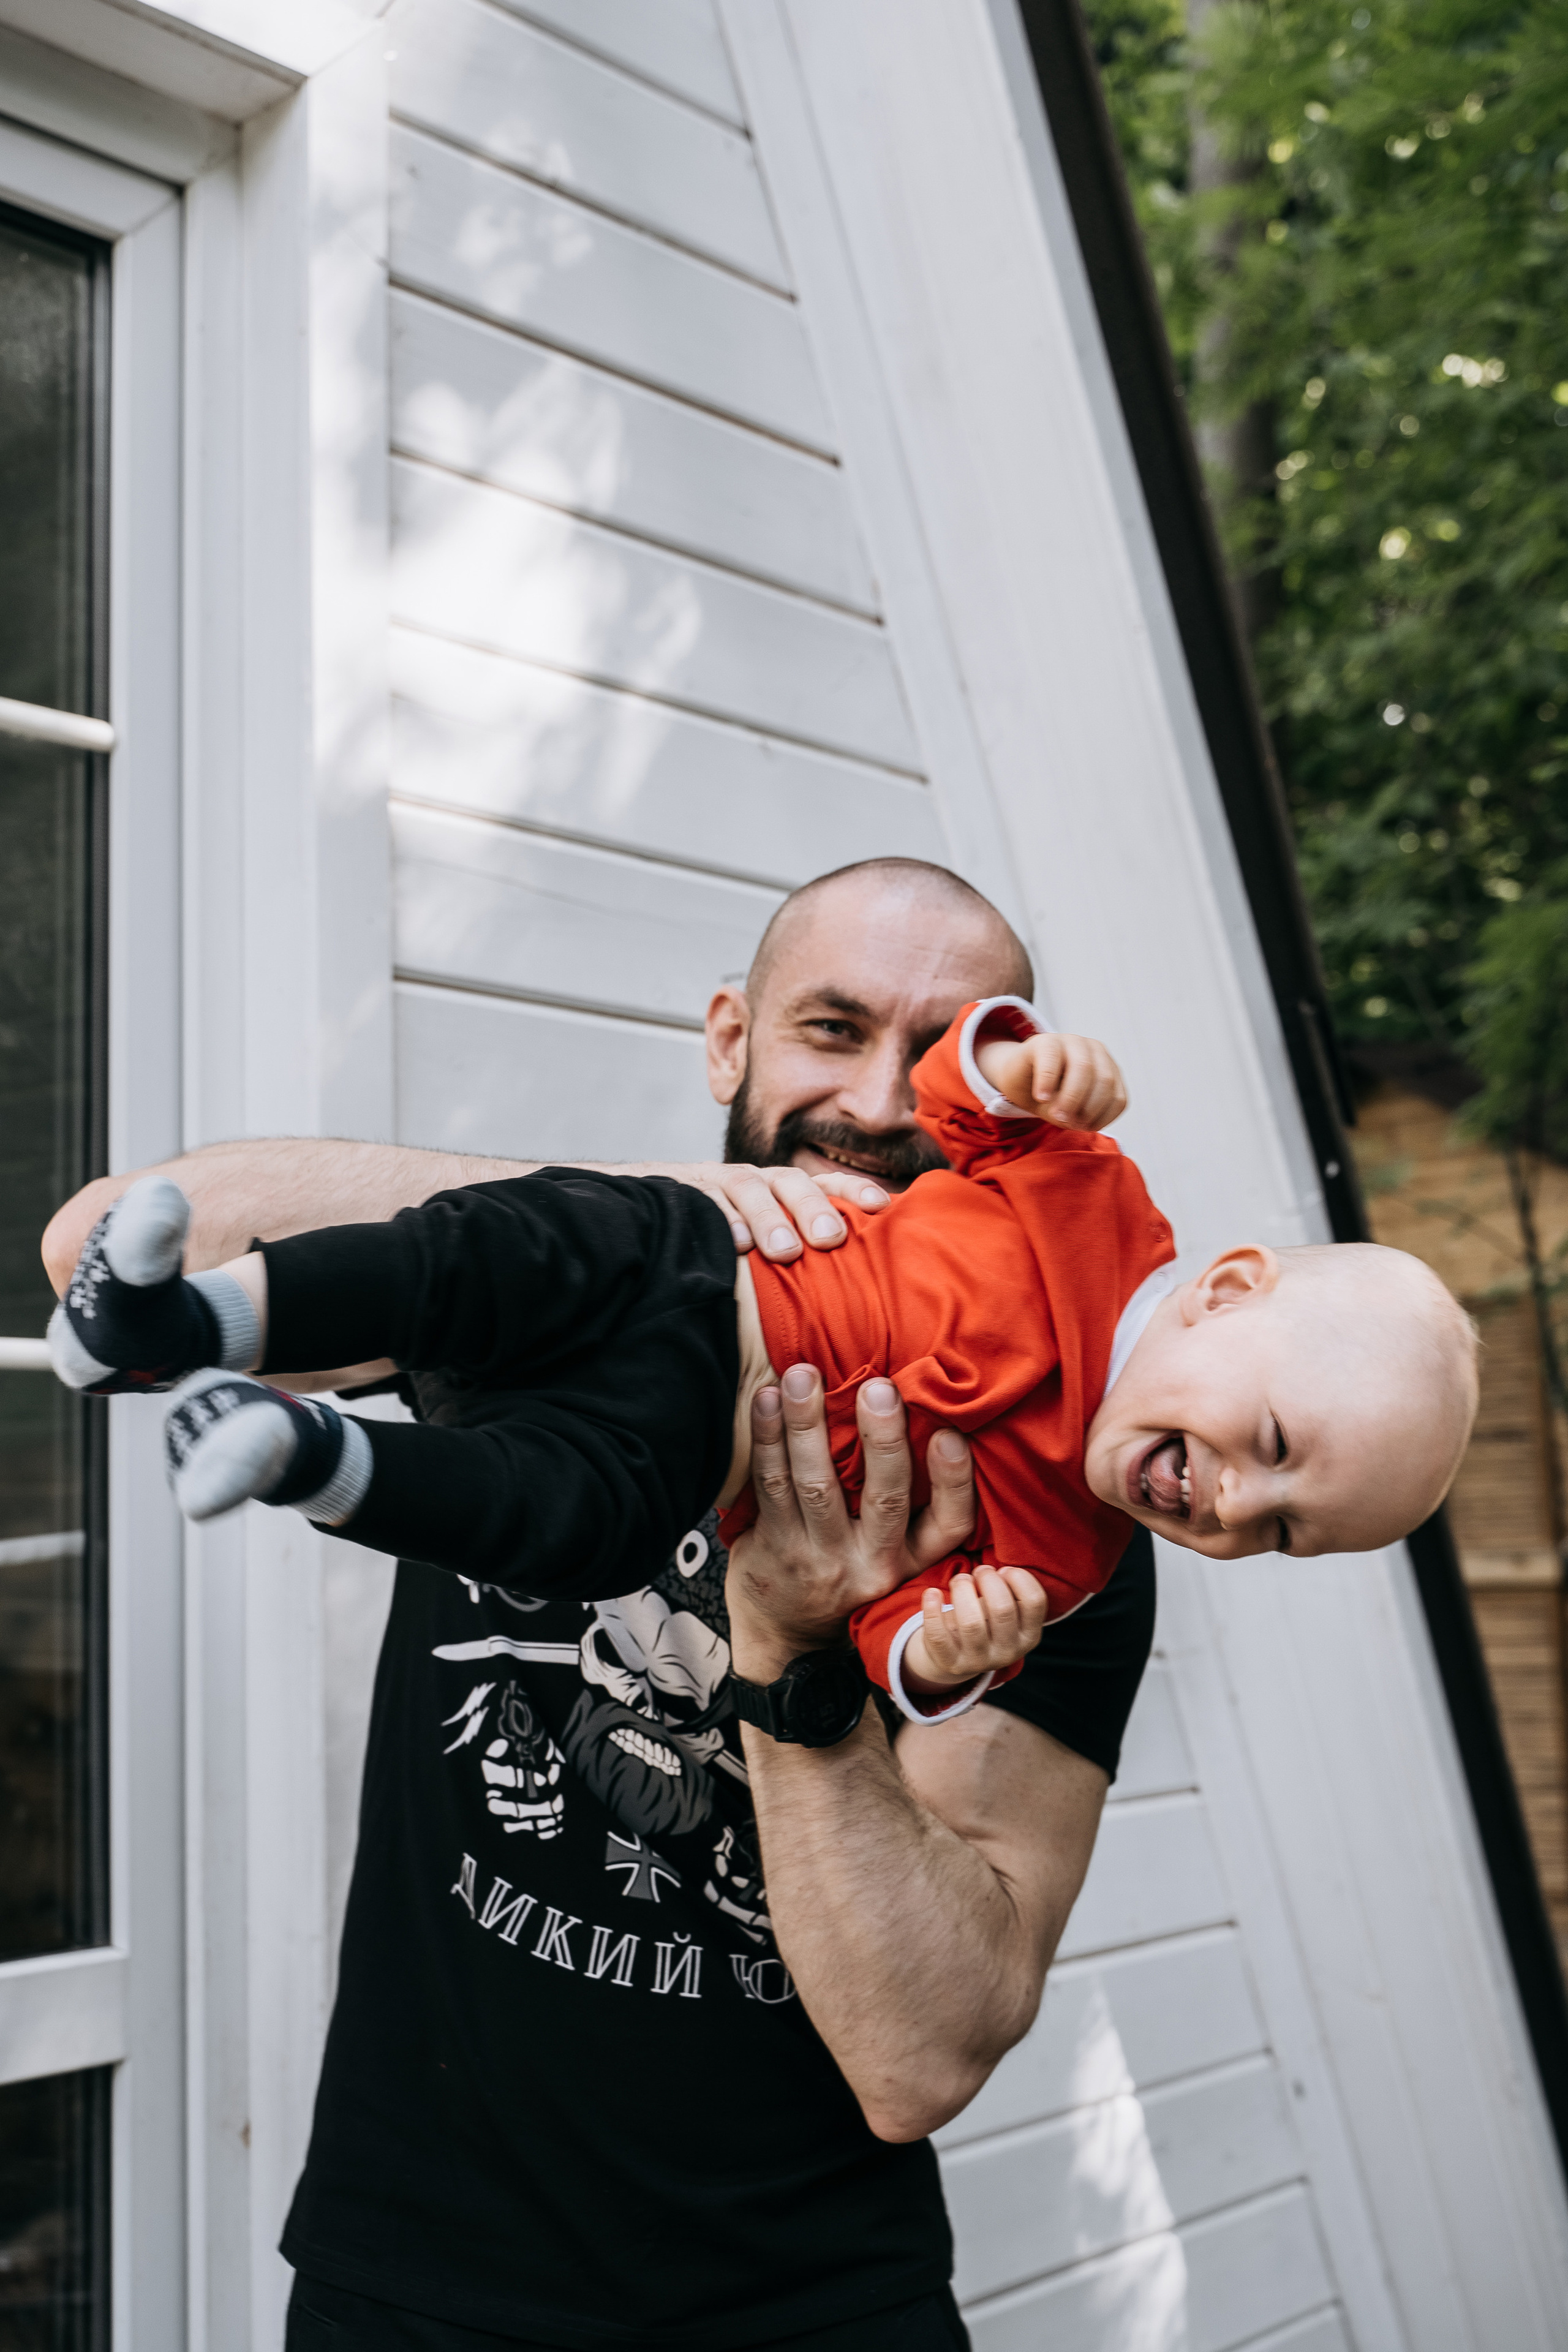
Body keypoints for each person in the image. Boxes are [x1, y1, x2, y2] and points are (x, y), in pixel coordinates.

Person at [43, 859, 1169, 2352]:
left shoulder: (1050, 1510)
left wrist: (790, 1652)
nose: (881, 1105)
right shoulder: (568, 1292)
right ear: (728, 1043)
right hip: (413, 2278)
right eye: (828, 1029)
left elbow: (921, 2055)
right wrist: (629, 1224)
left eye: (936, 1046)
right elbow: (96, 1256)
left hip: (808, 2308)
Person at [51, 1005, 1474, 1717]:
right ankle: (184, 1323)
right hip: (684, 1268)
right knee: (477, 1254)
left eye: (1281, 1536)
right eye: (1270, 1451)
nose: (1230, 1506)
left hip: (685, 1446)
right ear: (1225, 1292)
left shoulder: (1071, 1559)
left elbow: (890, 1628)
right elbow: (955, 1097)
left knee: (576, 1526)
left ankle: (303, 1456)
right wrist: (1022, 1068)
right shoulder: (1097, 1205)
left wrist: (939, 1656)